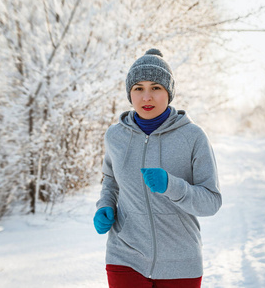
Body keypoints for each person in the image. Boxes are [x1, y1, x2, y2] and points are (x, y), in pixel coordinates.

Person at [93, 48, 222, 288]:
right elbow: (110, 180)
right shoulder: (115, 136)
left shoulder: (193, 137)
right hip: (124, 255)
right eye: (138, 88)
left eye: (156, 88)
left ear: (169, 92)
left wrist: (172, 186)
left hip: (180, 260)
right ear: (129, 94)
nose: (146, 97)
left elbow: (211, 201)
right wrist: (105, 206)